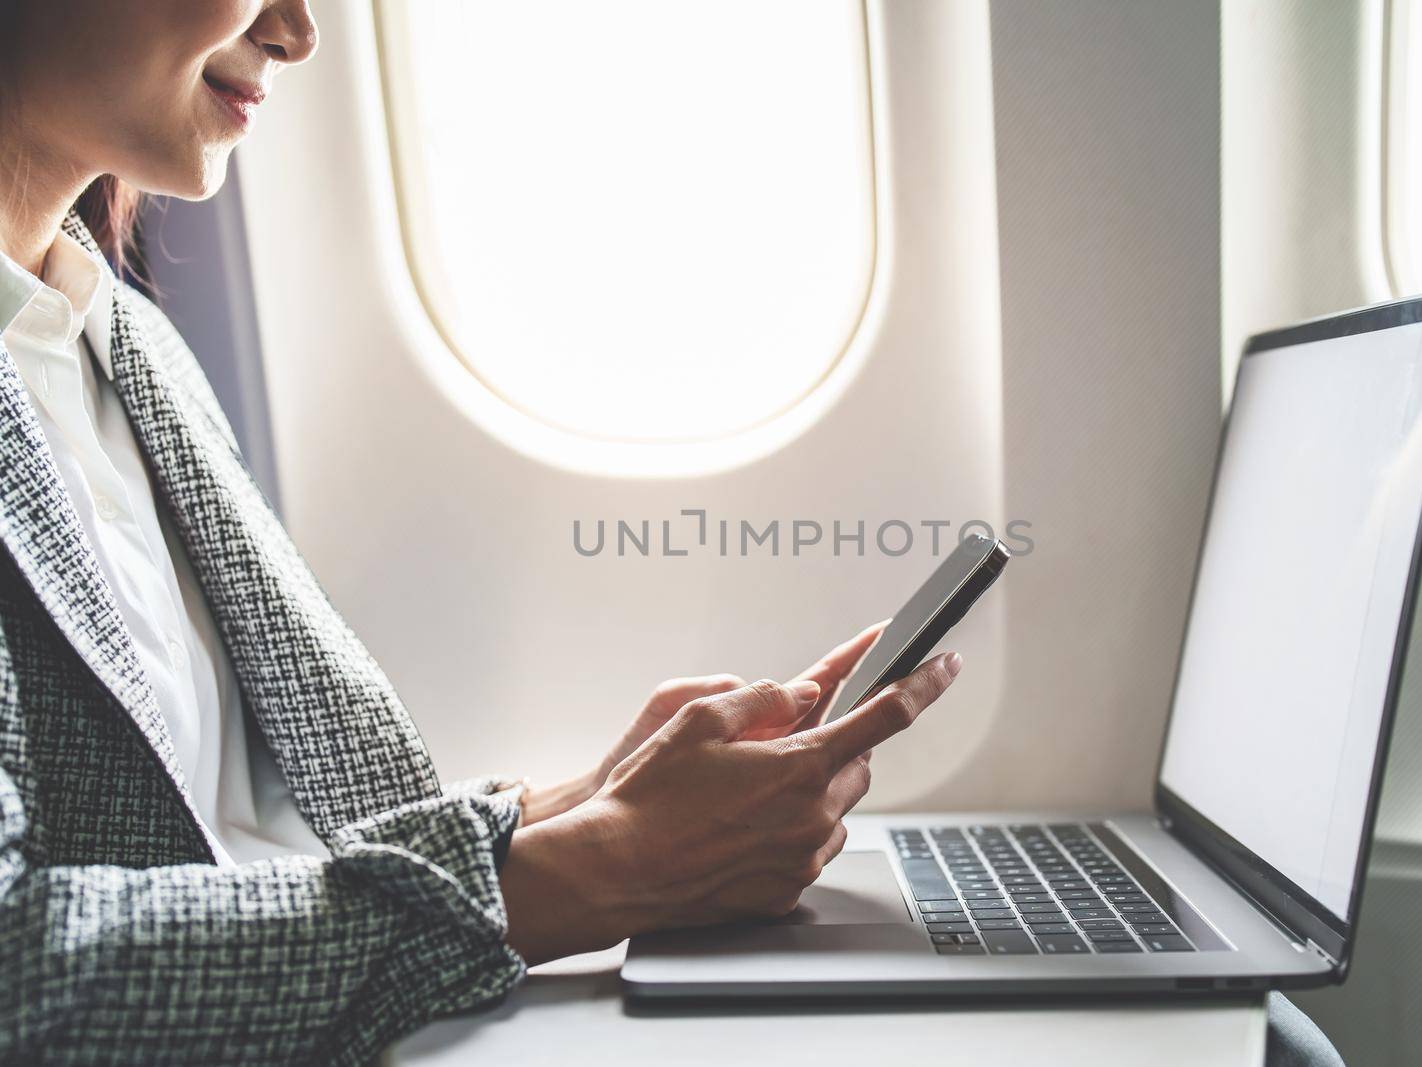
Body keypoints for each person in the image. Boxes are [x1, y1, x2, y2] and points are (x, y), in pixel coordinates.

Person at [0, 2, 962, 1062]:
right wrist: (596, 870)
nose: (294, 30)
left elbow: (240, 842)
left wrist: (585, 803)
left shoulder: (116, 341)